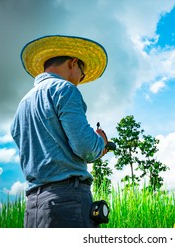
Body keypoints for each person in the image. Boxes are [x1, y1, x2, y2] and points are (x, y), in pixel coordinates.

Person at [11, 35, 109, 228]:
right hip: (68, 201)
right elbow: (86, 148)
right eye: (82, 73)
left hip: (33, 207)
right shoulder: (65, 89)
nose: (80, 80)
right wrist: (102, 143)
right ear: (73, 63)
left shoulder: (22, 105)